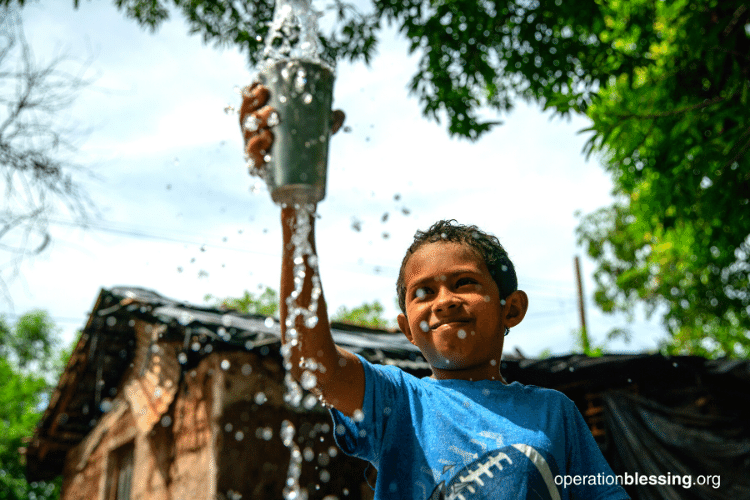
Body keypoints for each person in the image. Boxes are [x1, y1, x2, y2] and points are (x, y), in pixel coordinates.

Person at [239, 84, 630, 500]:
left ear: (511, 309)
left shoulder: (554, 413)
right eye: (423, 292)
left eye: (464, 283)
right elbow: (309, 362)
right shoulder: (398, 401)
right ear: (407, 328)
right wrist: (295, 202)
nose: (444, 301)